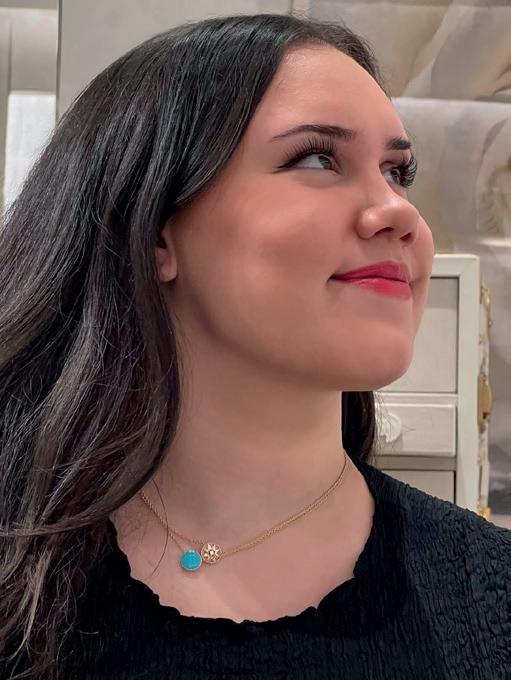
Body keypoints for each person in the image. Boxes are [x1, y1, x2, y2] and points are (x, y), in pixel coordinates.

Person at [0, 11, 509, 680]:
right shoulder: (18, 575)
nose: (397, 211)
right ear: (156, 232)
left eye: (396, 172)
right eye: (317, 158)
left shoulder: (490, 600)